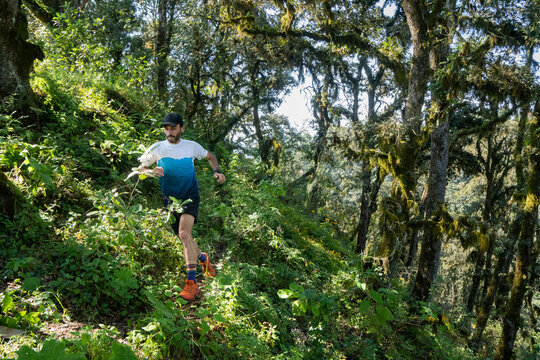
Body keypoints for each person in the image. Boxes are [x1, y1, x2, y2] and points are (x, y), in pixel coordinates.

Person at [138, 112, 226, 301]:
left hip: (189, 196)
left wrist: (217, 172)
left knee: (185, 234)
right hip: (169, 200)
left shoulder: (192, 147)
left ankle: (191, 283)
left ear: (182, 128)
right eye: (166, 128)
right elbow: (140, 169)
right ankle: (203, 258)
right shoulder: (157, 148)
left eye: (173, 128)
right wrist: (151, 171)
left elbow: (211, 157)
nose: (169, 132)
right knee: (183, 238)